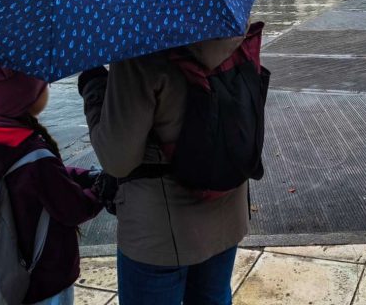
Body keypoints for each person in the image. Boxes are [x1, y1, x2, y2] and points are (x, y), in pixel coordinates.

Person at [77, 30, 259, 305]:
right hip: (226, 209)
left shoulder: (138, 48)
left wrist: (93, 86)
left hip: (160, 231)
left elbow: (117, 158)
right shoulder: (228, 26)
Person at [0, 61, 103, 305]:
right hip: (45, 280)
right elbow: (73, 207)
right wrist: (100, 190)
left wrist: (82, 175)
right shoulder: (35, 157)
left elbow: (44, 179)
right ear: (27, 96)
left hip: (4, 273)